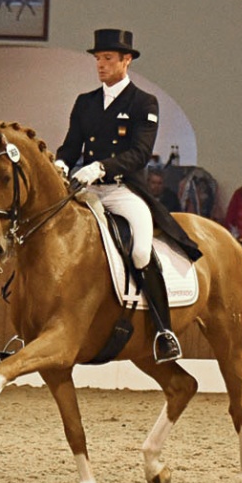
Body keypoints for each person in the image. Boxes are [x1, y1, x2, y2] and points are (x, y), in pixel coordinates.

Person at [55, 28, 201, 363]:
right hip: (87, 191)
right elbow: (70, 144)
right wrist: (62, 163)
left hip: (123, 190)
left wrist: (101, 167)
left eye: (107, 59)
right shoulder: (85, 102)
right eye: (97, 59)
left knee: (138, 251)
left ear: (126, 60)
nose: (101, 65)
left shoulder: (143, 103)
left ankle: (164, 331)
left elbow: (140, 153)